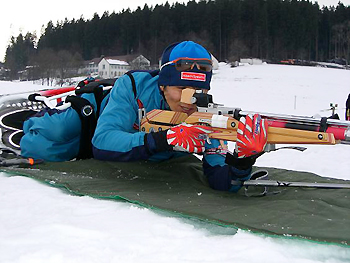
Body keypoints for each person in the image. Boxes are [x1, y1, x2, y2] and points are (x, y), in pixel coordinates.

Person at [20, 41, 267, 192]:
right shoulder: (133, 85)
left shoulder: (204, 115)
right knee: (45, 141)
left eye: (199, 91)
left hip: (135, 148)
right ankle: (35, 116)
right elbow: (103, 141)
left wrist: (244, 161)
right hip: (98, 115)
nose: (189, 100)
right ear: (163, 85)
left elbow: (221, 181)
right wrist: (164, 140)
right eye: (181, 90)